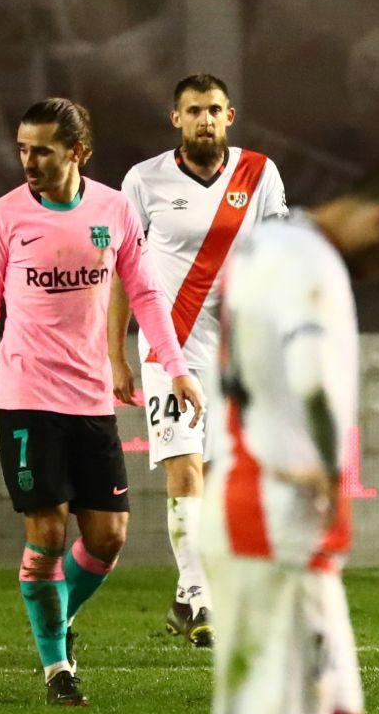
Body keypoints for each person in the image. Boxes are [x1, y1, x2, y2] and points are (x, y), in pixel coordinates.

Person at [0, 98, 203, 706]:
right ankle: (57, 666)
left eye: (42, 150)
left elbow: (144, 293)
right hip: (26, 396)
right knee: (48, 531)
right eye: (22, 149)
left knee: (109, 536)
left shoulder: (112, 210)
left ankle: (57, 618)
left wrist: (175, 367)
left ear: (77, 153)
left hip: (90, 399)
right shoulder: (3, 216)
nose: (29, 162)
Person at [203, 160, 379, 714]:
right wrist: (327, 466)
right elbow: (311, 373)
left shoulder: (265, 242)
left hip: (267, 504)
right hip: (274, 512)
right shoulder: (309, 260)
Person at [108, 73, 287, 646]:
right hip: (169, 344)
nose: (205, 120)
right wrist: (115, 354)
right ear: (175, 119)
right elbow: (122, 272)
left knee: (221, 477)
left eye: (214, 110)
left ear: (229, 116)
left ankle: (187, 596)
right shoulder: (143, 180)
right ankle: (203, 599)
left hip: (235, 347)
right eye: (194, 111)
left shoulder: (259, 174)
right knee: (185, 469)